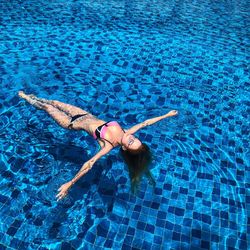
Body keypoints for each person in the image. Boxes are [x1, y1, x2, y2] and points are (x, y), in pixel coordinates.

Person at [18, 91, 178, 200]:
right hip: (84, 114)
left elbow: (89, 164)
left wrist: (70, 184)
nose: (130, 137)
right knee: (54, 102)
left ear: (124, 148)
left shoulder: (108, 145)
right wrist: (166, 115)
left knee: (47, 108)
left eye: (130, 142)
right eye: (134, 138)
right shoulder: (126, 131)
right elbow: (145, 122)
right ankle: (35, 98)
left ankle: (26, 98)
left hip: (70, 123)